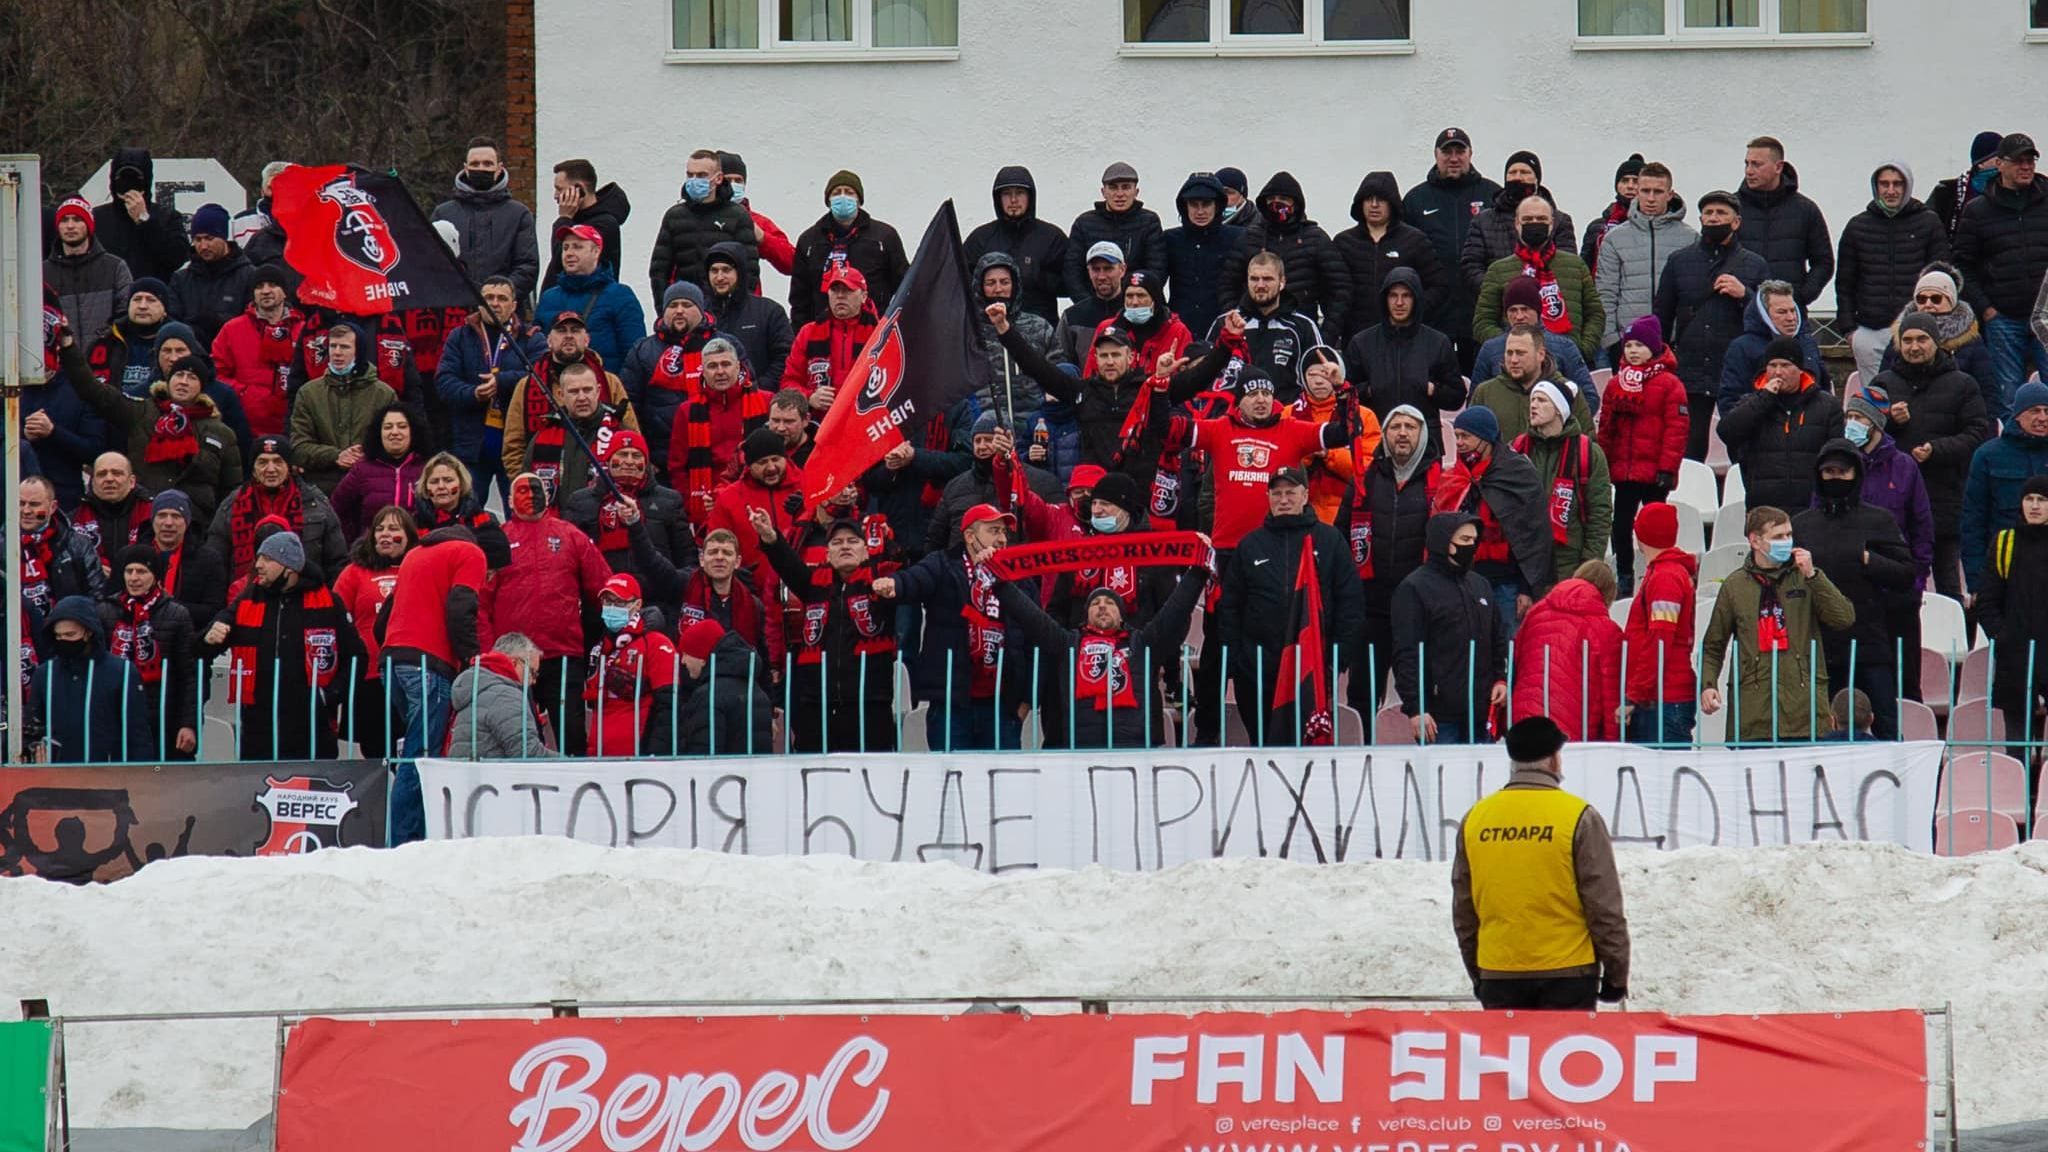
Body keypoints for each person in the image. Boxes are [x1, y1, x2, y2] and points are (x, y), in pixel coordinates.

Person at [1452, 716, 1629, 1011]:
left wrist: (1479, 973)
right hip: (1569, 972)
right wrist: (1616, 975)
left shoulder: (1476, 819)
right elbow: (1603, 906)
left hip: (1499, 971)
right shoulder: (1578, 816)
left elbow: (1465, 910)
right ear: (1555, 760)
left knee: (1507, 1058)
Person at [995, 561, 1208, 750]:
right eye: (1096, 604)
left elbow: (1175, 610)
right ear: (1086, 615)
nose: (1103, 606)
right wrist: (999, 581)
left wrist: (1198, 572)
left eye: (1110, 603)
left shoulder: (1143, 643)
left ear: (1122, 614)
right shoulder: (1068, 643)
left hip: (1133, 747)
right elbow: (1030, 616)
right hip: (1080, 747)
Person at [1217, 468, 1362, 745]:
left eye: (1291, 493)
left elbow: (1350, 603)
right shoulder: (1250, 545)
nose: (1284, 499)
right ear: (1268, 497)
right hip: (1258, 673)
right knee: (1263, 748)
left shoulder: (1330, 541)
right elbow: (1230, 607)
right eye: (1277, 493)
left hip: (1312, 668)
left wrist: (1336, 660)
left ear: (1305, 495)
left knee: (1309, 749)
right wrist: (1238, 662)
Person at [1792, 441, 1916, 739]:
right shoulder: (1803, 524)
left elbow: (1905, 572)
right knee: (1822, 727)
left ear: (1856, 475)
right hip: (1820, 644)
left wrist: (1869, 559)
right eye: (1828, 471)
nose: (1835, 478)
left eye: (1842, 472)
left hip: (1869, 639)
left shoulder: (1878, 519)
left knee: (1885, 722)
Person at [202, 530, 362, 760]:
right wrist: (210, 636)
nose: (258, 565)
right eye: (258, 558)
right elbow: (205, 646)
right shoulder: (249, 598)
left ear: (290, 567)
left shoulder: (328, 602)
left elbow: (356, 657)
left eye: (267, 559)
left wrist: (329, 695)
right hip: (258, 728)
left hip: (311, 727)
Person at [877, 504, 1026, 751]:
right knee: (952, 781)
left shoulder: (1015, 573)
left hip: (1001, 705)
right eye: (994, 531)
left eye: (1004, 533)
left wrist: (1025, 701)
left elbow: (1031, 636)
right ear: (969, 536)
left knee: (1000, 785)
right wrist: (895, 585)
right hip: (952, 704)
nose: (1002, 539)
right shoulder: (943, 563)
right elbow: (916, 578)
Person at [1699, 506, 1855, 742]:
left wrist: (1813, 576)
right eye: (1778, 537)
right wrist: (1708, 684)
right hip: (1752, 715)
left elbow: (1843, 618)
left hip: (1804, 712)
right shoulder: (1735, 586)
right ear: (1755, 541)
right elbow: (1713, 645)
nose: (1786, 541)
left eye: (1789, 535)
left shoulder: (1806, 577)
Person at [377, 519, 487, 840]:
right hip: (428, 663)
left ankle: (413, 832)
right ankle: (405, 842)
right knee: (421, 756)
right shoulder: (471, 554)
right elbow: (461, 607)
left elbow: (383, 618)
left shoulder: (415, 554)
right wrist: (471, 656)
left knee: (413, 748)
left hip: (393, 660)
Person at [752, 510, 898, 752]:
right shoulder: (814, 585)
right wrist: (769, 536)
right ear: (828, 553)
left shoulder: (881, 583)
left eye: (853, 541)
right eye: (837, 542)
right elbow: (787, 564)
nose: (845, 547)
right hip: (816, 704)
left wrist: (886, 540)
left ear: (865, 549)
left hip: (869, 702)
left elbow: (903, 563)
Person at [494, 472, 613, 754]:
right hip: (512, 659)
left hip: (563, 654)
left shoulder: (571, 536)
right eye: (522, 491)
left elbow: (604, 587)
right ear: (509, 499)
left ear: (548, 496)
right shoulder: (498, 541)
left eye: (536, 490)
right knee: (519, 736)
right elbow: (482, 600)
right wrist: (489, 649)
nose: (531, 496)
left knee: (571, 733)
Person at [1870, 314, 1984, 600]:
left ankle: (1952, 640)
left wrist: (1937, 450)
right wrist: (1890, 422)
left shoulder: (1963, 384)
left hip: (1944, 495)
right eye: (1907, 340)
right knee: (1895, 586)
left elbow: (1978, 432)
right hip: (1893, 502)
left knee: (1948, 583)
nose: (1914, 347)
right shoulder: (1882, 383)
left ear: (1937, 342)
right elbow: (1860, 433)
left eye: (1922, 339)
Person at [1342, 405, 1447, 711]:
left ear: (1423, 434)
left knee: (1422, 695)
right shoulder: (1365, 480)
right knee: (1362, 692)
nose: (1402, 433)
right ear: (1384, 434)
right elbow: (1341, 533)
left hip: (1421, 607)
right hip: (1370, 605)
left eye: (1410, 427)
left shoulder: (1440, 480)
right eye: (1395, 426)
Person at [1654, 189, 1771, 460]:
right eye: (1708, 213)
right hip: (1691, 366)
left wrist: (1746, 295)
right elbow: (1662, 314)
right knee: (1689, 446)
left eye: (1721, 213)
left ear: (1736, 221)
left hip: (1737, 368)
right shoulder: (1679, 261)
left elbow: (1769, 317)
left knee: (1742, 442)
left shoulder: (1755, 264)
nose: (1714, 218)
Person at [1838, 393, 1934, 677]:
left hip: (1897, 592)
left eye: (1859, 418)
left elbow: (1922, 527)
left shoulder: (1904, 467)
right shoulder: (1837, 463)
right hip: (1852, 593)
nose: (1852, 424)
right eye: (1849, 418)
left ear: (1877, 424)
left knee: (1904, 679)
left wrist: (1916, 580)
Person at [1392, 513, 1507, 743]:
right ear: (1443, 542)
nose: (1471, 546)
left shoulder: (1480, 585)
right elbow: (1407, 652)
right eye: (1464, 540)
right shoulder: (1414, 588)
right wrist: (1416, 708)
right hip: (1438, 716)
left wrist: (1500, 679)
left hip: (1480, 709)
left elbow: (1497, 638)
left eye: (1474, 540)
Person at [1955, 133, 2048, 417]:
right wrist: (1986, 310)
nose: (2026, 167)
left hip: (2046, 315)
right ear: (2000, 164)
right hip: (2003, 319)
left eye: (2030, 160)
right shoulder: (1977, 211)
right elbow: (1962, 265)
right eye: (2018, 161)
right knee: (2009, 399)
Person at [1837, 161, 1950, 385]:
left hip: (1917, 329)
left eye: (1897, 184)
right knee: (1876, 401)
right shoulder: (1857, 227)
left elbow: (1941, 277)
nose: (1891, 190)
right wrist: (1850, 330)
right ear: (1875, 186)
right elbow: (1845, 282)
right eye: (1884, 184)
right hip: (1870, 330)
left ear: (1907, 186)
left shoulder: (1928, 223)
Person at [1597, 317, 1688, 595]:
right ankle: (1624, 576)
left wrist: (1667, 468)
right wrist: (1604, 462)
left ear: (1654, 347)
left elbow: (1677, 429)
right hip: (1624, 472)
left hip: (1654, 474)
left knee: (1655, 527)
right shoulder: (1616, 384)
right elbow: (1606, 428)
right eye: (1629, 345)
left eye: (1639, 345)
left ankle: (1658, 574)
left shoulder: (1670, 384)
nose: (1633, 351)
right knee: (1621, 525)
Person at [435, 275, 544, 505]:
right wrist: (473, 393)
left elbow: (542, 377)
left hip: (516, 446)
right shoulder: (460, 336)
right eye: (488, 298)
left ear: (514, 305)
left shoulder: (531, 337)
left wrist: (501, 382)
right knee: (467, 511)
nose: (495, 303)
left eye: (502, 298)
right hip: (471, 443)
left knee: (521, 512)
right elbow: (444, 381)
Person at [1445, 405, 1551, 638]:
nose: (1459, 443)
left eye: (1466, 436)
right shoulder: (1458, 477)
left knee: (1508, 656)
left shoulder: (1518, 473)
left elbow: (1534, 536)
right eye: (1457, 436)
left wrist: (1527, 588)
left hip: (1508, 586)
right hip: (1467, 582)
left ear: (1486, 438)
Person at [1404, 128, 1502, 370]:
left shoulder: (1492, 194)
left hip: (1481, 312)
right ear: (1436, 155)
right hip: (1434, 315)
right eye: (1447, 152)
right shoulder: (1416, 200)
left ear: (1470, 154)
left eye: (1460, 151)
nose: (1454, 158)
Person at [1346, 268, 1465, 462]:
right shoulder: (1362, 343)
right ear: (1385, 299)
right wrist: (1369, 390)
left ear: (1416, 298)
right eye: (1393, 296)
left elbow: (1457, 396)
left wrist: (1432, 389)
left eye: (1406, 296)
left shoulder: (1438, 342)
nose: (1399, 303)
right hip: (1376, 444)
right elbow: (1346, 394)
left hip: (1427, 446)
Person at [1718, 335, 1845, 512]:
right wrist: (1764, 398)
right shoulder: (1752, 403)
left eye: (1785, 365)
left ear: (1800, 369)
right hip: (1764, 509)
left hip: (1811, 508)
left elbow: (1837, 455)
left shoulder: (1827, 405)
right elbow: (1727, 432)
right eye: (1772, 365)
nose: (1778, 372)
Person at [1976, 476, 2048, 784]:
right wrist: (2003, 637)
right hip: (2015, 657)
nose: (2034, 506)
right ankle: (2018, 796)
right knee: (2017, 744)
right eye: (2029, 499)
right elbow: (1987, 600)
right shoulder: (2005, 542)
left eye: (2042, 500)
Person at [208, 434, 349, 586]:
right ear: (253, 469)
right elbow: (215, 561)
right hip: (245, 597)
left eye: (278, 461)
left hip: (303, 596)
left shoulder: (315, 503)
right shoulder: (232, 505)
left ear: (289, 467)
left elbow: (336, 563)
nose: (270, 469)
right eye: (262, 462)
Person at [98, 544, 199, 760]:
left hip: (163, 716)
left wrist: (188, 724)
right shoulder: (106, 610)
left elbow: (187, 675)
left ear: (155, 576)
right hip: (117, 716)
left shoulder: (177, 614)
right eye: (129, 571)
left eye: (142, 571)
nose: (134, 578)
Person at [1474, 195, 1603, 362]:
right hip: (1516, 365)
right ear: (1517, 224)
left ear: (1551, 224)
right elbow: (1483, 322)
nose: (1535, 223)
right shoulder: (1498, 270)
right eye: (1528, 219)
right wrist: (1511, 346)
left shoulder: (1575, 265)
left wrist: (1582, 349)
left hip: (1567, 362)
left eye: (1541, 219)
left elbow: (1595, 313)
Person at [331, 505, 415, 758]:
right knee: (376, 750)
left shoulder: (419, 567)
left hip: (410, 672)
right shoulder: (355, 572)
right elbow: (336, 616)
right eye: (379, 529)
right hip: (369, 675)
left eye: (393, 528)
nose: (385, 535)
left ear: (409, 535)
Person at [1217, 172, 1349, 331]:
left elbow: (1340, 289)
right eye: (1271, 199)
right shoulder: (1250, 237)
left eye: (1284, 199)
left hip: (1301, 330)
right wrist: (1237, 319)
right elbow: (1227, 284)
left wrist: (1327, 334)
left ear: (1296, 203)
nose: (1276, 204)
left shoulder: (1316, 238)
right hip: (1254, 328)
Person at [1593, 161, 1693, 364]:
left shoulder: (1690, 238)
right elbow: (1606, 293)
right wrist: (1612, 340)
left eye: (1658, 191)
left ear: (1670, 194)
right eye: (1645, 191)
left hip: (1673, 344)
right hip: (1628, 344)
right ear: (1637, 192)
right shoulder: (1615, 239)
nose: (1651, 198)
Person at [503, 356, 640, 503]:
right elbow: (526, 481)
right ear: (561, 395)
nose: (581, 397)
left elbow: (643, 483)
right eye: (574, 392)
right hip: (556, 520)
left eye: (587, 390)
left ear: (598, 391)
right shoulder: (543, 435)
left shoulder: (618, 432)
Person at [1511, 563, 1623, 741]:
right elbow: (1611, 694)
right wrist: (1613, 742)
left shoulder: (1536, 612)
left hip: (1525, 715)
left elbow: (1516, 659)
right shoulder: (1607, 630)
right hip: (1575, 725)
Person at [33, 596, 152, 763]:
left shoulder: (122, 672)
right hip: (57, 773)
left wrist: (142, 776)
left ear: (88, 631)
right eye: (58, 636)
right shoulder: (45, 673)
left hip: (108, 772)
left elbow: (138, 733)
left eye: (70, 634)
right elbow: (33, 725)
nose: (63, 640)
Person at [1516, 380, 1612, 584]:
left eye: (1542, 400)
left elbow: (1600, 514)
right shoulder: (1519, 448)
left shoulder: (1588, 453)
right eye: (1532, 400)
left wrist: (1589, 567)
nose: (1533, 405)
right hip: (1522, 561)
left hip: (1569, 562)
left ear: (1559, 410)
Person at [1333, 170, 1446, 344]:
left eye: (1381, 199)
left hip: (1405, 337)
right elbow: (1332, 290)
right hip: (1356, 337)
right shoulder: (1344, 243)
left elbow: (1438, 286)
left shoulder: (1414, 240)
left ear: (1392, 204)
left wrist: (1414, 311)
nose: (1374, 205)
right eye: (1369, 199)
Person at [288, 320, 399, 494]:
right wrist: (336, 456)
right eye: (333, 346)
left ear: (359, 351)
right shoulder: (308, 393)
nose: (337, 353)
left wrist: (366, 453)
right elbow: (299, 447)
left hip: (371, 483)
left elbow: (395, 442)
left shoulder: (384, 394)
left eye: (345, 347)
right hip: (321, 487)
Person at [789, 170, 909, 329]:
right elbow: (799, 298)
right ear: (828, 201)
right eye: (837, 192)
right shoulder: (809, 241)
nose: (843, 197)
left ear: (859, 200)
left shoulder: (884, 237)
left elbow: (904, 285)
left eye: (849, 192)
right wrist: (803, 336)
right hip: (823, 334)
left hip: (873, 333)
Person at [1620, 503, 1698, 744]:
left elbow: (1659, 640)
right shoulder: (1667, 574)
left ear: (1639, 534)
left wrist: (1635, 694)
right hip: (1661, 696)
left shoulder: (1665, 578)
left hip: (1662, 699)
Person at [1963, 381, 2048, 599]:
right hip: (2005, 570)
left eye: (2047, 411)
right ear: (2018, 414)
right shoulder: (1988, 456)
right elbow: (1973, 521)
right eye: (2034, 411)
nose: (2042, 417)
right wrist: (1976, 582)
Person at [621, 281, 718, 470]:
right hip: (661, 459)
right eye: (673, 305)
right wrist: (642, 453)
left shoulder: (723, 346)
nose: (679, 311)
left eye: (687, 305)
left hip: (715, 456)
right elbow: (629, 407)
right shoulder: (643, 350)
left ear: (701, 310)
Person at [584, 573, 681, 757]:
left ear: (637, 605)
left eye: (619, 603)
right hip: (599, 753)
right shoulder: (601, 647)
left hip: (637, 754)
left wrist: (655, 752)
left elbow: (669, 704)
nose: (611, 608)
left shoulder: (655, 643)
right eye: (607, 602)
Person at [430, 137, 540, 298]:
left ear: (499, 168)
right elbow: (431, 264)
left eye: (488, 164)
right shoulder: (443, 214)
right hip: (455, 311)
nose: (481, 168)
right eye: (475, 164)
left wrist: (499, 296)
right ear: (466, 168)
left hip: (504, 313)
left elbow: (527, 266)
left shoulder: (519, 214)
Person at [1462, 151, 1579, 301]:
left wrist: (1537, 293)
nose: (1517, 177)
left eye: (1524, 172)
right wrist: (1500, 292)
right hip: (1497, 305)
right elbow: (1471, 266)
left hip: (1547, 304)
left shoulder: (1560, 221)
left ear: (1537, 179)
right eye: (1512, 172)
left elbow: (1567, 266)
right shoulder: (1482, 221)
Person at [1884, 263, 1997, 418]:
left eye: (1936, 299)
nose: (1928, 304)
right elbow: (1882, 387)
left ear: (1951, 300)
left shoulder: (1970, 340)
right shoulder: (1900, 337)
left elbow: (1987, 392)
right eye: (1921, 299)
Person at [211, 263, 308, 438]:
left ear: (285, 291)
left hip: (295, 427)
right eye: (259, 286)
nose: (265, 291)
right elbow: (216, 374)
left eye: (272, 285)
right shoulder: (232, 329)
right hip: (245, 426)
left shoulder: (303, 331)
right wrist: (247, 394)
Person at [963, 166, 1068, 326]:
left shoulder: (1051, 237)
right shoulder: (980, 239)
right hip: (991, 331)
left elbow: (1070, 284)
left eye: (1019, 193)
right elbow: (961, 283)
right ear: (998, 198)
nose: (1013, 200)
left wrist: (1038, 277)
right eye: (1007, 194)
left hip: (1040, 330)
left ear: (1030, 196)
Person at [1735, 136, 1834, 307]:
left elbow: (1823, 262)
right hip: (1740, 312)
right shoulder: (1732, 209)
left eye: (1757, 164)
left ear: (1778, 167)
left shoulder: (1805, 209)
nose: (1749, 171)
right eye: (1747, 164)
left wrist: (1800, 297)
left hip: (1789, 315)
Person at [648, 148, 758, 300]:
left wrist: (741, 310)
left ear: (718, 178)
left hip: (727, 307)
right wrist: (664, 311)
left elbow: (749, 269)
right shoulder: (674, 216)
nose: (694, 180)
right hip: (688, 307)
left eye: (701, 175)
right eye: (690, 175)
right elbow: (659, 270)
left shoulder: (738, 215)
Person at [971, 252, 1065, 429]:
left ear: (1015, 285)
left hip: (1034, 430)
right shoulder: (968, 331)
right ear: (979, 286)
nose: (998, 289)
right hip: (986, 433)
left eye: (1005, 282)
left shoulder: (1039, 327)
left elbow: (1058, 374)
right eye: (990, 283)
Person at [1209, 254, 1320, 401]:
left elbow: (1320, 376)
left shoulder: (1303, 327)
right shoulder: (1226, 324)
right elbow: (1206, 375)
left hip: (1286, 416)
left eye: (1267, 279)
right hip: (1234, 417)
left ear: (1282, 282)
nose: (1260, 285)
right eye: (1254, 279)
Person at [1471, 277, 1597, 401]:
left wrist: (1562, 417)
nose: (1519, 316)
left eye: (1525, 309)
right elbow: (1475, 399)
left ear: (1538, 311)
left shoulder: (1565, 347)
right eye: (1513, 310)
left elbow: (1589, 397)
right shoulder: (1490, 349)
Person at [537, 225, 645, 366]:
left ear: (596, 252)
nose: (569, 253)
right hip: (556, 385)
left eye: (577, 247)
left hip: (603, 384)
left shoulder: (620, 295)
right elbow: (538, 350)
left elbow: (634, 354)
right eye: (565, 248)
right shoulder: (548, 298)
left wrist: (614, 386)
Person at [1717, 281, 1826, 417]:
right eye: (1782, 312)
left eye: (1793, 311)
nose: (1791, 318)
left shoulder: (1807, 343)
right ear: (1764, 315)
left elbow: (1824, 389)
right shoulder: (1742, 348)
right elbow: (1729, 403)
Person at [1471, 326, 1592, 445]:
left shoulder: (1566, 391)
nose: (1513, 360)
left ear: (1541, 355)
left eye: (1520, 353)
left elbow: (1588, 443)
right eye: (1509, 353)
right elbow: (1471, 441)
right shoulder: (1485, 392)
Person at [1065, 162, 1166, 302]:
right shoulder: (1084, 223)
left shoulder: (1149, 222)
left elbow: (1157, 270)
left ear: (1136, 192)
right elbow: (1072, 271)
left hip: (1137, 305)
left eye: (1126, 187)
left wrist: (1133, 301)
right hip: (1094, 305)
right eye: (1113, 188)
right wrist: (1088, 305)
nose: (1120, 194)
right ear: (1103, 192)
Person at [329, 404, 429, 542]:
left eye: (402, 426)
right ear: (379, 432)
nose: (395, 432)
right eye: (388, 427)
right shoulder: (362, 469)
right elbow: (337, 508)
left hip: (417, 548)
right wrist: (355, 542)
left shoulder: (427, 469)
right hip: (372, 550)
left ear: (412, 431)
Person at [781, 266, 878, 408]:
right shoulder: (808, 333)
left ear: (863, 296)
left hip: (866, 417)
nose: (840, 296)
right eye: (835, 290)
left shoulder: (880, 334)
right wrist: (810, 397)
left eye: (848, 290)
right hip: (821, 420)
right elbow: (788, 382)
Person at [1162, 171, 1243, 340]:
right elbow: (1156, 280)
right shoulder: (1170, 239)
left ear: (1217, 205)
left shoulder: (1238, 238)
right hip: (1180, 328)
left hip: (1223, 326)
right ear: (1185, 206)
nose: (1200, 211)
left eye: (1206, 204)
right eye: (1194, 204)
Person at [447, 633, 554, 758]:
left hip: (470, 773)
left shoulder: (478, 686)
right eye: (532, 672)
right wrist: (569, 764)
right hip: (492, 775)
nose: (534, 681)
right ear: (514, 663)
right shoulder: (506, 695)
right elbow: (527, 754)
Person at [675, 619, 773, 756]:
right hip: (753, 775)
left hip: (724, 777)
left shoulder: (708, 696)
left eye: (686, 654)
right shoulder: (755, 689)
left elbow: (703, 755)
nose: (683, 661)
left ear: (702, 658)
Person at [166, 204, 258, 347]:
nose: (203, 246)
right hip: (192, 357)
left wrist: (219, 321)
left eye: (209, 238)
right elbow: (172, 321)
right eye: (197, 239)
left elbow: (254, 323)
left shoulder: (249, 276)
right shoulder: (180, 279)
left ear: (224, 237)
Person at [92, 148, 189, 282]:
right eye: (123, 178)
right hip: (109, 298)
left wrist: (145, 221)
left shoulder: (167, 217)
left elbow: (177, 259)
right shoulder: (96, 218)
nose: (129, 184)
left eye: (135, 178)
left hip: (151, 297)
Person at [704, 240, 793, 387]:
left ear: (740, 272)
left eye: (726, 270)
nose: (719, 277)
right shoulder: (700, 314)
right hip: (711, 405)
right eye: (714, 270)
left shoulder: (769, 311)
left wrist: (756, 389)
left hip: (758, 401)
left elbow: (785, 359)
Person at [45, 195, 131, 344]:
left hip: (105, 360)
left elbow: (125, 312)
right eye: (64, 220)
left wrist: (105, 340)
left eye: (77, 219)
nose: (70, 226)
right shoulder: (42, 272)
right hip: (62, 361)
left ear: (89, 225)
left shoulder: (115, 267)